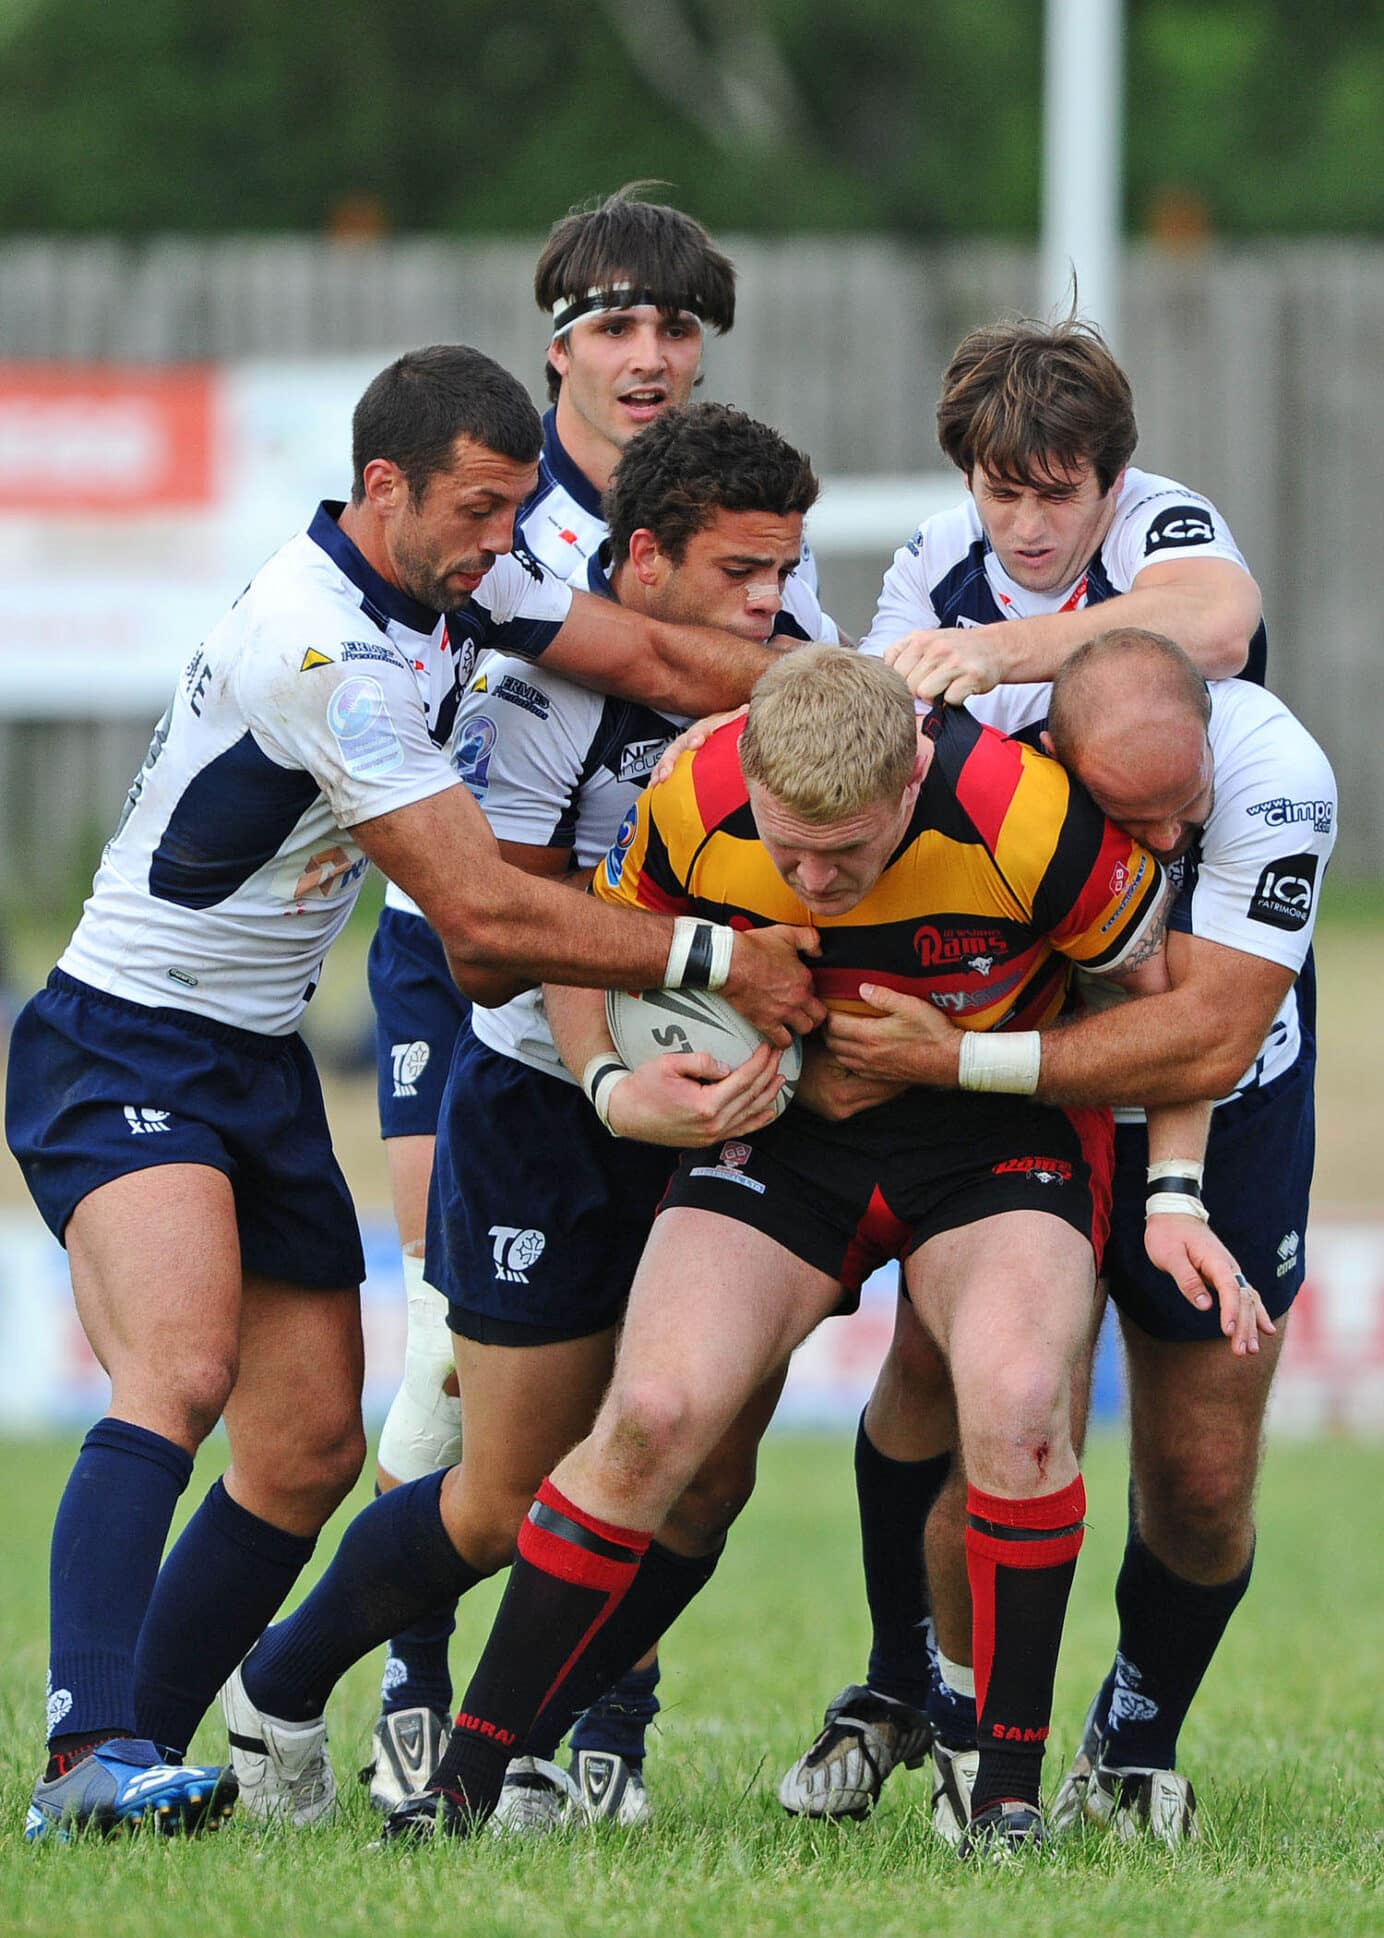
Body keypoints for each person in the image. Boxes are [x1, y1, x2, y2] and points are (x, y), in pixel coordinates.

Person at [4, 344, 822, 1843]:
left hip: (249, 1060)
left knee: (313, 1448)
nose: (505, 543)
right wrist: (718, 953)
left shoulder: (457, 577)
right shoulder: (324, 654)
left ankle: (150, 1763)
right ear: (384, 488)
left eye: (517, 513)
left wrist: (860, 693)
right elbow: (486, 921)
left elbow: (645, 656)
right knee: (179, 1374)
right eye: (481, 509)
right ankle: (84, 1756)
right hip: (121, 1039)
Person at [377, 647, 1251, 1854]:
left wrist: (1168, 1190)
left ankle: (1002, 1797)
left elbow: (1162, 1012)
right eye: (787, 851)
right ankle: (464, 1787)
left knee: (1014, 1404)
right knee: (651, 1416)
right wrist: (614, 1083)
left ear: (908, 787)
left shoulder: (1023, 818)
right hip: (780, 1135)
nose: (811, 879)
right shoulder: (695, 794)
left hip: (990, 1138)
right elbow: (595, 945)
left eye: (845, 853)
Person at [221, 402, 834, 1831]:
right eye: (743, 573)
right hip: (547, 1108)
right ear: (641, 566)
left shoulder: (802, 686)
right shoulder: (538, 701)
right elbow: (498, 943)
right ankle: (279, 1683)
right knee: (502, 1495)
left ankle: (531, 1743)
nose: (775, 602)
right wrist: (624, 1072)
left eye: (787, 571)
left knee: (703, 1472)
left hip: (739, 1114)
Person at [362, 188, 835, 1811]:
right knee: (454, 1348)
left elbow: (813, 718)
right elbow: (634, 679)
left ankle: (594, 1726)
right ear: (555, 340)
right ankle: (410, 1683)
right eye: (615, 323)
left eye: (675, 324)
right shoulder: (499, 516)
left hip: (666, 971)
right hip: (469, 950)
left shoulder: (739, 521)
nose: (648, 353)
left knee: (668, 1395)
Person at [778, 630, 1333, 1848]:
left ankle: (1134, 1740)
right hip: (1017, 1118)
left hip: (1218, 1119)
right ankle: (932, 1704)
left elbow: (1205, 1039)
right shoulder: (990, 771)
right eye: (1138, 817)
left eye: (1187, 808)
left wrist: (1168, 1193)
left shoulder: (1277, 770)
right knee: (974, 1401)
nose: (1175, 841)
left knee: (1197, 1480)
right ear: (1058, 763)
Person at [866, 311, 1266, 702]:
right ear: (966, 477)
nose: (1028, 528)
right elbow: (869, 703)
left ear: (1116, 480)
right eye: (1003, 494)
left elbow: (1221, 625)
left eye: (1057, 496)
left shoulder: (1156, 515)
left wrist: (996, 650)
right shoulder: (938, 552)